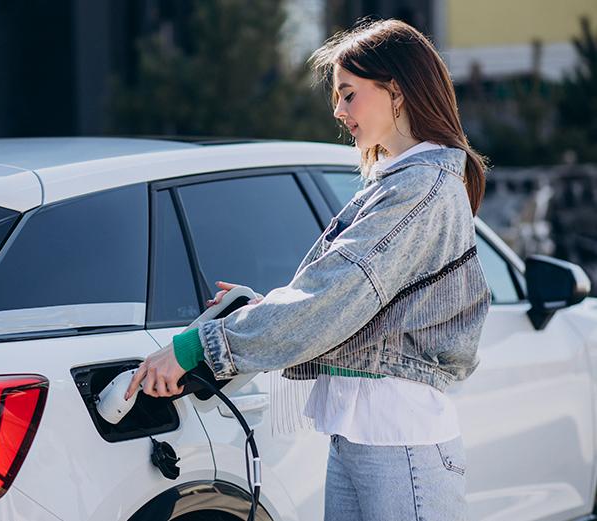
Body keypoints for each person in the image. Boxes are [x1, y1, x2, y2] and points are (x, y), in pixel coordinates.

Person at [125, 17, 491, 521]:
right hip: (364, 436)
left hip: (400, 440)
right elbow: (354, 306)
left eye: (348, 94)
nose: (338, 111)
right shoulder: (399, 182)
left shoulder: (420, 188)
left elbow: (330, 299)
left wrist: (195, 347)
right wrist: (266, 309)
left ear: (396, 92)